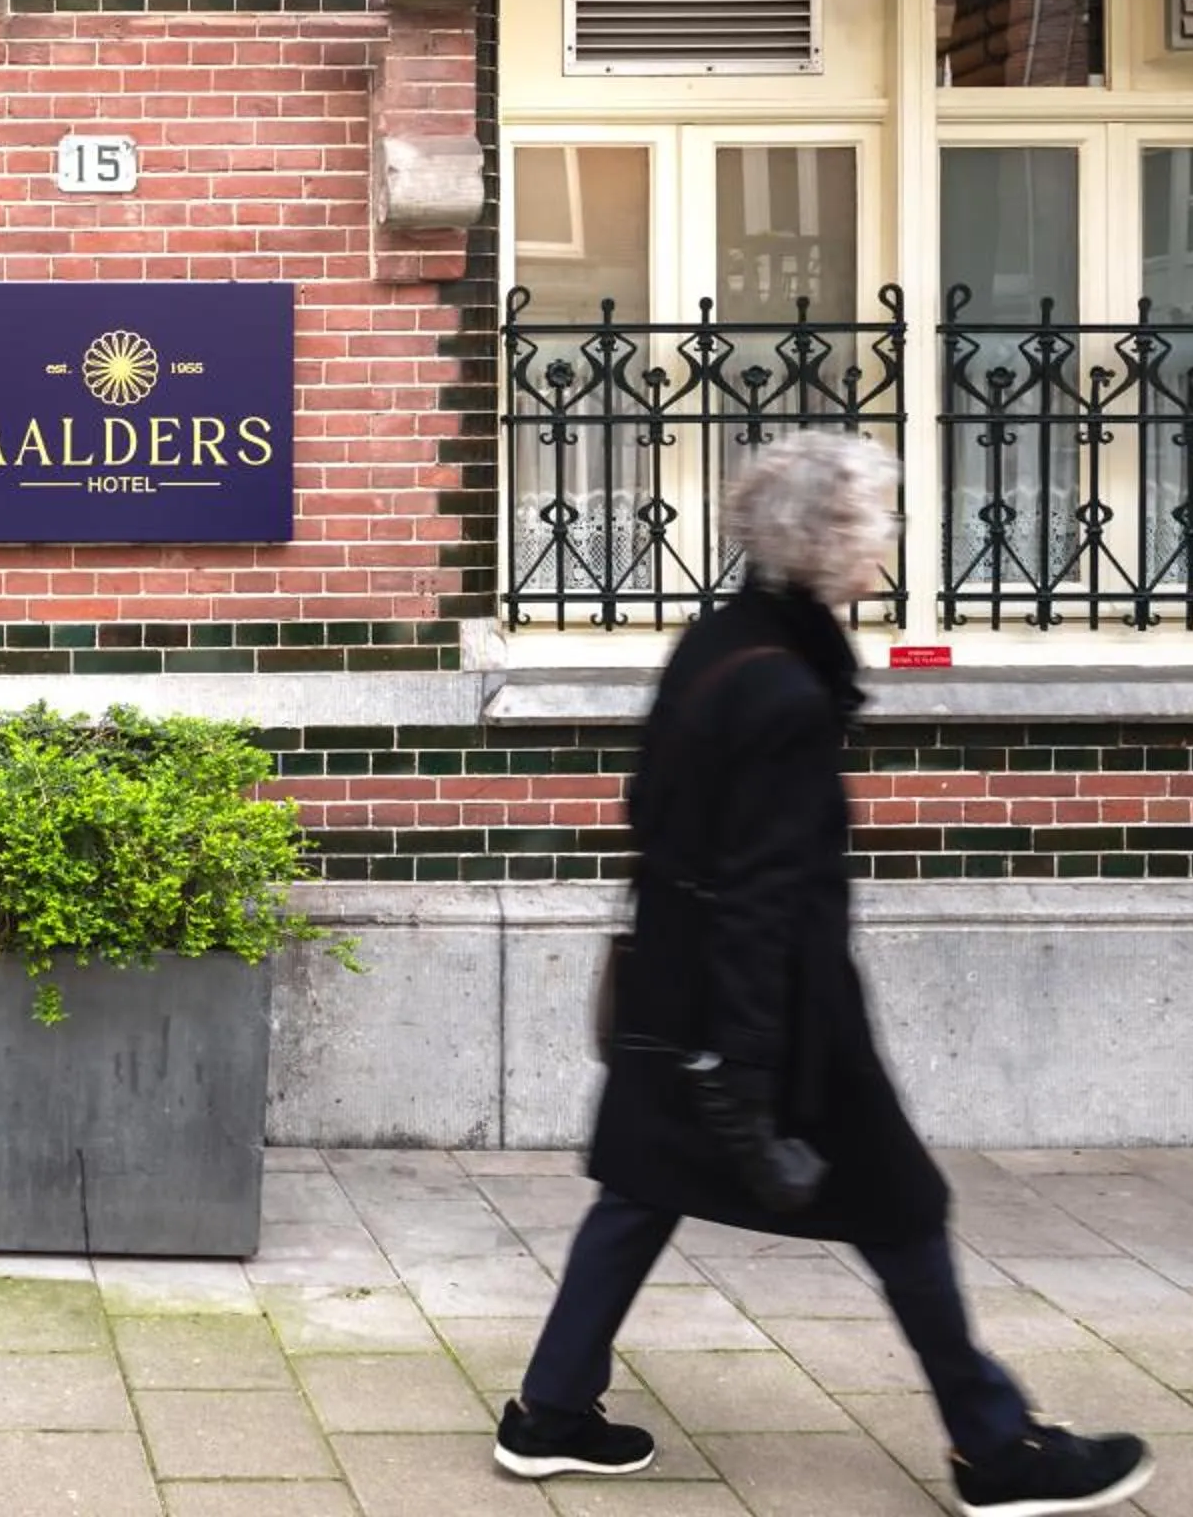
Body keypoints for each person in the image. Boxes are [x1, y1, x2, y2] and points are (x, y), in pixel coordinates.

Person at [490, 431, 1153, 1517]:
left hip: (671, 981)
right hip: (779, 1019)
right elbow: (765, 900)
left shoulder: (716, 643)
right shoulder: (786, 691)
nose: (887, 546)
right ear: (825, 542)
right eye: (875, 524)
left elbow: (652, 816)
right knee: (902, 1206)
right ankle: (997, 1449)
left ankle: (551, 1410)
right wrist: (745, 1072)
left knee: (642, 1188)